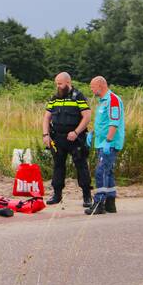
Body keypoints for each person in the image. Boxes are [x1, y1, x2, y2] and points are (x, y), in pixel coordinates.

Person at [42, 72, 93, 208]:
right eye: (56, 84)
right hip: (58, 137)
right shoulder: (54, 98)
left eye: (60, 84)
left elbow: (87, 116)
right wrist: (45, 135)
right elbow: (47, 117)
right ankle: (57, 194)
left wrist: (76, 132)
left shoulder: (78, 97)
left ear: (68, 83)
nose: (58, 86)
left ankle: (87, 195)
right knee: (58, 166)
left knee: (81, 165)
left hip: (75, 138)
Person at [87, 76, 125, 215]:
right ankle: (110, 203)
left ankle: (99, 203)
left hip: (109, 143)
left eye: (92, 86)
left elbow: (114, 122)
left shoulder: (113, 100)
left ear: (101, 85)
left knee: (100, 171)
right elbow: (103, 122)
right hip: (101, 142)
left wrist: (108, 141)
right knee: (107, 172)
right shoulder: (102, 102)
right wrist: (92, 132)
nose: (91, 89)